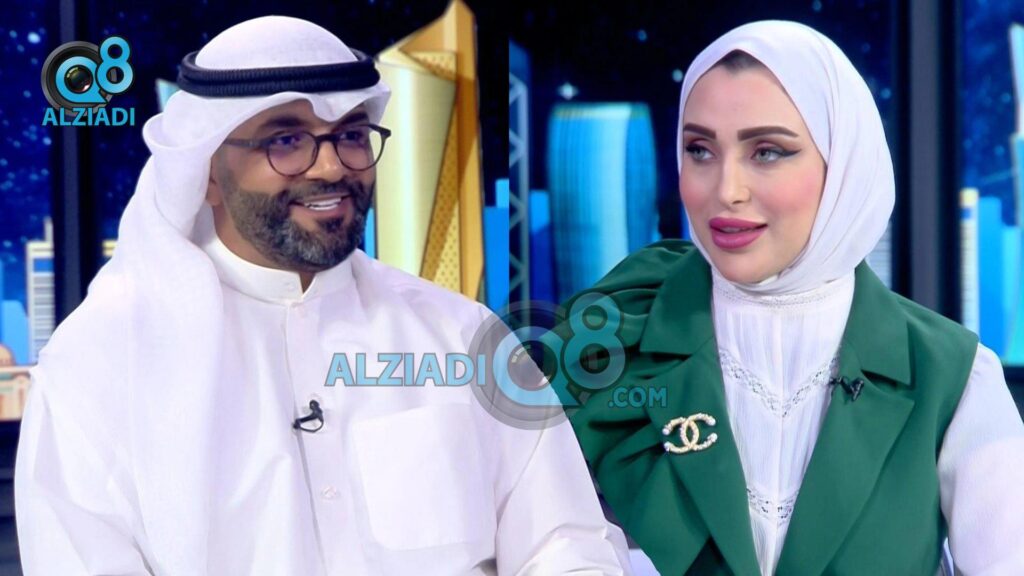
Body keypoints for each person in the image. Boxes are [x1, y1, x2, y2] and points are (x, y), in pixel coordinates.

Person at [14, 16, 630, 575]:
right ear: (206, 173)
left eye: (352, 135)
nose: (333, 167)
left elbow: (566, 543)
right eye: (286, 140)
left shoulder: (461, 334)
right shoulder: (98, 364)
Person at [565, 20, 1024, 575]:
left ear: (843, 164)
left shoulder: (951, 375)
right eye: (700, 150)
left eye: (767, 152)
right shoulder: (609, 340)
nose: (726, 190)